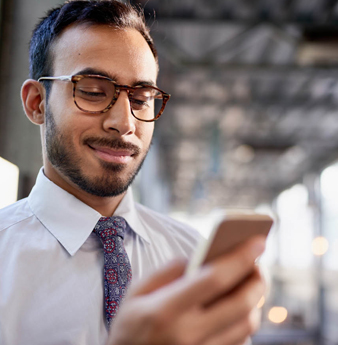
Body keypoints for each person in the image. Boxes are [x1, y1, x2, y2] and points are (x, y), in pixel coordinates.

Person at [0, 1, 266, 344]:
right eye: (93, 92)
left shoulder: (190, 258)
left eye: (141, 99)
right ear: (37, 102)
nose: (124, 123)